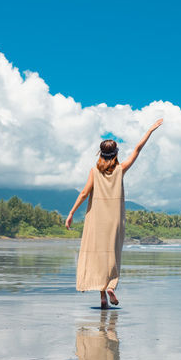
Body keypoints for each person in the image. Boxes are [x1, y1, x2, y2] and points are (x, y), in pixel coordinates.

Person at [65, 119, 163, 308]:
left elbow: (84, 193)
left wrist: (71, 213)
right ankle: (111, 286)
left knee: (98, 255)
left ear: (100, 154)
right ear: (116, 154)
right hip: (115, 219)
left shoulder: (94, 171)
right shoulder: (120, 169)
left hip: (96, 219)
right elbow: (137, 149)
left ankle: (103, 295)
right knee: (112, 254)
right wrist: (149, 130)